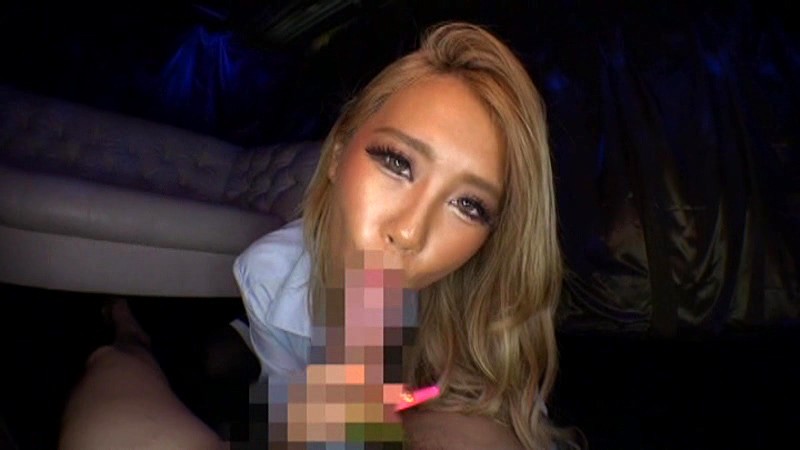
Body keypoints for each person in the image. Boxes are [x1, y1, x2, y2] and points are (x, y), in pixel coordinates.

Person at [59, 21, 580, 449]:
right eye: (397, 163)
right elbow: (294, 428)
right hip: (289, 374)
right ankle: (128, 337)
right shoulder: (271, 275)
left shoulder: (491, 319)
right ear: (337, 155)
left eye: (468, 205)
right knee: (123, 366)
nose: (408, 230)